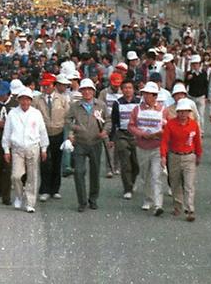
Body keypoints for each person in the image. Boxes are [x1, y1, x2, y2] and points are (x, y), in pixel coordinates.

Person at [65, 78, 110, 212]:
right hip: (80, 142)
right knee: (79, 171)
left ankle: (93, 199)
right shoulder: (75, 106)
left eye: (89, 90)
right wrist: (75, 128)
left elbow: (108, 120)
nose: (87, 92)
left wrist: (104, 131)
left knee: (95, 172)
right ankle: (82, 201)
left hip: (96, 142)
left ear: (93, 91)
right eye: (84, 90)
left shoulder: (100, 105)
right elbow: (67, 120)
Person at [1, 87, 49, 213]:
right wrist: (6, 149)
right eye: (22, 100)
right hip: (17, 149)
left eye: (27, 100)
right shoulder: (13, 114)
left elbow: (42, 131)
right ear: (19, 100)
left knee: (32, 177)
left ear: (31, 101)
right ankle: (18, 195)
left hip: (33, 147)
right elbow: (7, 132)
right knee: (16, 176)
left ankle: (30, 202)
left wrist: (44, 148)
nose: (25, 103)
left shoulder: (36, 114)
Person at [160, 98, 202, 221]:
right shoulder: (171, 124)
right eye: (181, 112)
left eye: (186, 112)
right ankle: (178, 206)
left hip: (189, 156)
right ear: (177, 112)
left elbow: (197, 141)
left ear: (189, 112)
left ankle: (190, 209)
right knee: (175, 182)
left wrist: (199, 154)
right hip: (174, 156)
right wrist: (163, 156)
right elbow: (164, 141)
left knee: (189, 184)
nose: (183, 114)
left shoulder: (193, 125)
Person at [127, 81, 165, 215]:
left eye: (149, 94)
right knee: (145, 175)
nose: (146, 97)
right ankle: (147, 199)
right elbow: (131, 126)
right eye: (145, 94)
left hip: (156, 148)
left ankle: (158, 204)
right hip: (142, 147)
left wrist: (161, 133)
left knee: (156, 175)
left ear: (155, 96)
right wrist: (142, 134)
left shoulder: (162, 110)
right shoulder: (137, 110)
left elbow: (168, 127)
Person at [34, 73, 69, 202]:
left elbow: (68, 117)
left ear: (54, 86)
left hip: (58, 133)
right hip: (43, 134)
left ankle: (55, 189)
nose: (46, 88)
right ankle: (44, 190)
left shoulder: (63, 99)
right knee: (45, 163)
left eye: (48, 85)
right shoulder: (37, 100)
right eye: (44, 86)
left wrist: (69, 135)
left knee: (57, 162)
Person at [110, 79, 141, 199]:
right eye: (125, 88)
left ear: (133, 90)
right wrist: (112, 138)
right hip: (122, 135)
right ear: (121, 90)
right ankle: (127, 188)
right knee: (125, 163)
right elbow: (114, 121)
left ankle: (132, 182)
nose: (127, 90)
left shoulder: (139, 102)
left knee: (136, 164)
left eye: (130, 88)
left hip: (136, 135)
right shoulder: (117, 103)